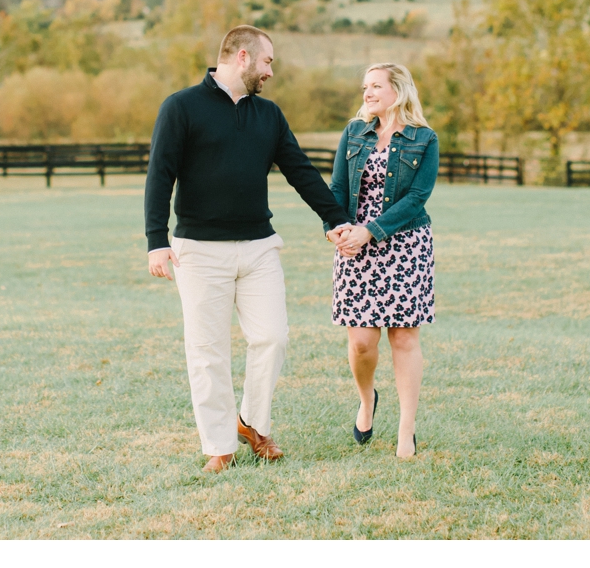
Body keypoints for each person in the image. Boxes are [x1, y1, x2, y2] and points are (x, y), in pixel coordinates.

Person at [145, 25, 352, 473]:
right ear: (242, 57)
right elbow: (159, 175)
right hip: (198, 251)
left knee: (273, 337)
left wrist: (335, 219)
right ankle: (219, 446)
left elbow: (300, 170)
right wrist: (156, 241)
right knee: (207, 351)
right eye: (268, 62)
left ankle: (253, 423)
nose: (271, 72)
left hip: (259, 247)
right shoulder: (181, 108)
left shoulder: (269, 116)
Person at [326, 63, 439, 459]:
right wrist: (335, 229)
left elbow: (416, 198)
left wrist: (371, 229)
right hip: (355, 247)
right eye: (364, 87)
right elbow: (337, 188)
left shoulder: (424, 139)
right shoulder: (353, 132)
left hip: (405, 244)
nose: (367, 93)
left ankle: (406, 430)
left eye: (375, 86)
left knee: (404, 337)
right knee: (361, 343)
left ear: (398, 90)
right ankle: (367, 399)